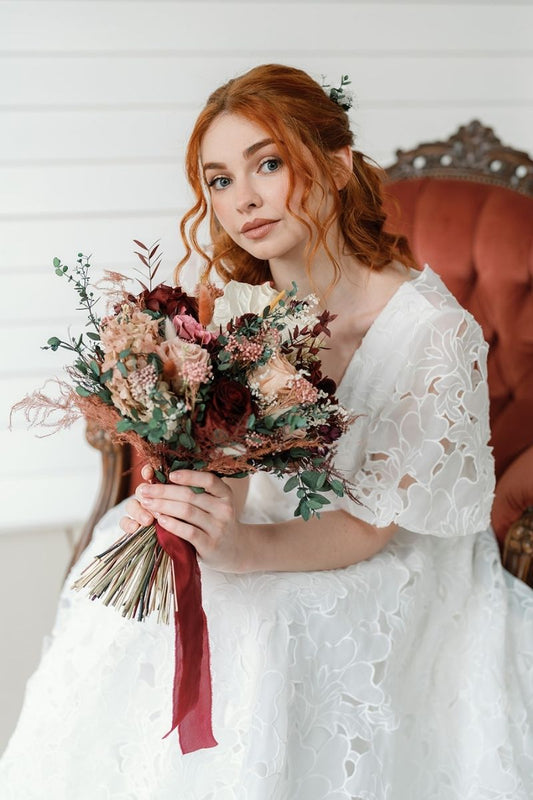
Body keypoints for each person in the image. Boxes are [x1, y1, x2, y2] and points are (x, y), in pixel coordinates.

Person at [1, 63, 532, 799]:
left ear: (336, 165)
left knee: (264, 616)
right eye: (218, 180)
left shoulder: (434, 333)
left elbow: (366, 528)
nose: (241, 199)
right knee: (137, 552)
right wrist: (199, 501)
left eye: (268, 164)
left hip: (385, 547)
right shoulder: (236, 308)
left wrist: (243, 548)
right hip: (282, 517)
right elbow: (235, 458)